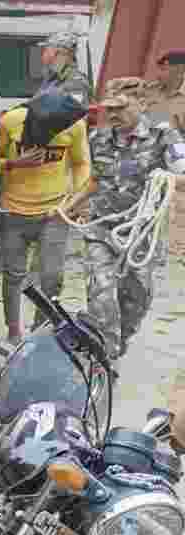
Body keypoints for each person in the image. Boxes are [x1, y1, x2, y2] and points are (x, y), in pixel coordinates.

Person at [81, 91, 185, 364]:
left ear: (141, 104)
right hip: (101, 227)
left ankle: (118, 340)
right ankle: (103, 356)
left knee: (136, 297)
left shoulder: (164, 136)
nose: (113, 115)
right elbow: (95, 179)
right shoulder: (98, 138)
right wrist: (70, 204)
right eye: (109, 109)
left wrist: (167, 176)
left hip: (142, 232)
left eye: (121, 108)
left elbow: (183, 172)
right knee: (101, 291)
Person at [0, 91, 92, 356]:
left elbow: (82, 164)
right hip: (13, 212)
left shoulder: (75, 126)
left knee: (52, 277)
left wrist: (78, 200)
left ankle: (40, 334)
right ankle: (13, 334)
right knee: (13, 275)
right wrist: (12, 163)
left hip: (55, 213)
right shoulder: (10, 121)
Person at [36, 32, 92, 105]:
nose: (43, 55)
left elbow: (73, 111)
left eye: (46, 50)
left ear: (59, 52)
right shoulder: (51, 80)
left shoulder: (76, 82)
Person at [143, 49, 185, 132]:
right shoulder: (148, 90)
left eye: (164, 69)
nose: (158, 75)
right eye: (159, 69)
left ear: (180, 70)